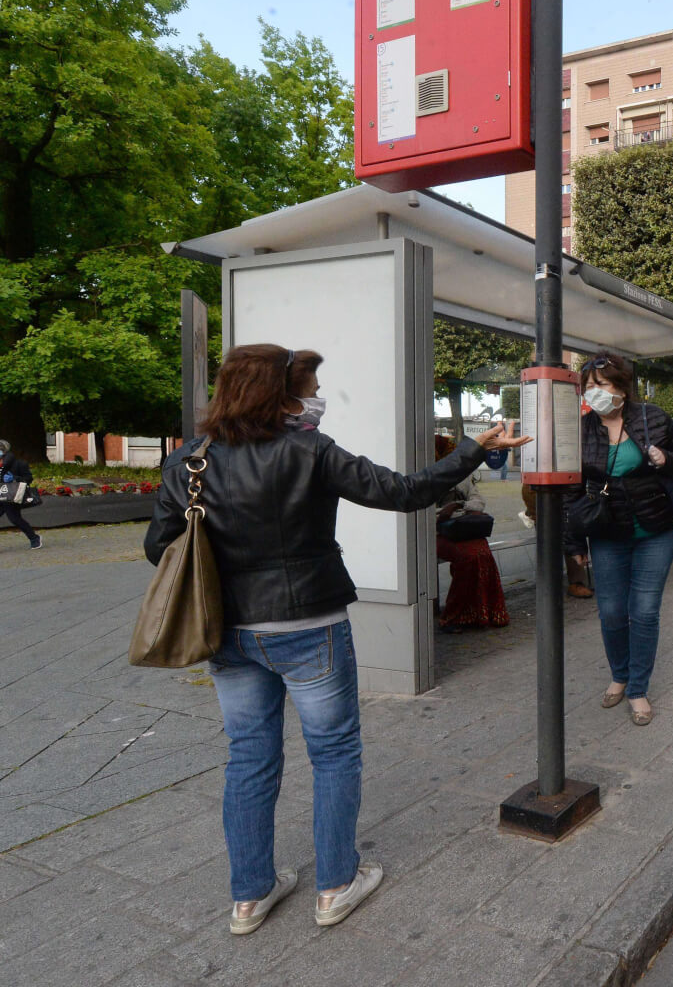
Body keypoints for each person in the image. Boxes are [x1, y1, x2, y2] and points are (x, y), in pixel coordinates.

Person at [144, 344, 528, 936]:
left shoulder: (189, 461)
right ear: (281, 395)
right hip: (308, 627)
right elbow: (404, 492)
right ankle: (335, 885)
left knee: (248, 757)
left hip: (228, 634)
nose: (317, 399)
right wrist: (474, 449)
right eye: (310, 389)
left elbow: (158, 549)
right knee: (333, 753)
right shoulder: (310, 450)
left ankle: (249, 896)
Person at [565, 352, 673, 727]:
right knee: (611, 612)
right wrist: (574, 544)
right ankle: (619, 675)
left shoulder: (652, 417)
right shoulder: (581, 429)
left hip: (655, 530)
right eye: (589, 387)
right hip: (607, 532)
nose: (594, 392)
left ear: (621, 386)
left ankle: (637, 688)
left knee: (645, 611)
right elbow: (571, 490)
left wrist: (665, 458)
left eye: (601, 384)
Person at [433, 435, 509, 632]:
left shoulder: (462, 475)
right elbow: (426, 514)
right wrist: (451, 511)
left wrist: (458, 505)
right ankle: (453, 616)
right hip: (435, 534)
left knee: (483, 553)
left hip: (462, 529)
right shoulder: (427, 477)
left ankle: (480, 613)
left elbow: (478, 502)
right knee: (468, 557)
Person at [522, 483, 594, 598]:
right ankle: (549, 583)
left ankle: (577, 582)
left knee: (571, 529)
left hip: (566, 484)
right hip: (538, 486)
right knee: (547, 537)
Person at [0, 440, 42, 550]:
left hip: (11, 496)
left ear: (3, 451)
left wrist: (14, 478)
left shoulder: (18, 464)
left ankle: (34, 538)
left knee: (15, 519)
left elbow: (28, 478)